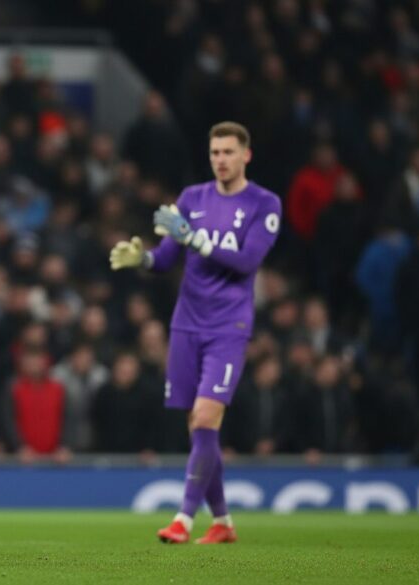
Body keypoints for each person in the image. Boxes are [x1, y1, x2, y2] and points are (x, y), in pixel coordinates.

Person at [109, 121, 281, 544]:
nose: (220, 160)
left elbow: (247, 261)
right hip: (187, 323)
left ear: (246, 155)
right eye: (214, 153)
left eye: (228, 152)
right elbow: (168, 257)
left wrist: (197, 241)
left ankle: (183, 520)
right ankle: (222, 522)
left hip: (229, 326)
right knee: (199, 426)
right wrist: (142, 260)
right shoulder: (192, 198)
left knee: (206, 416)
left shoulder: (265, 203)